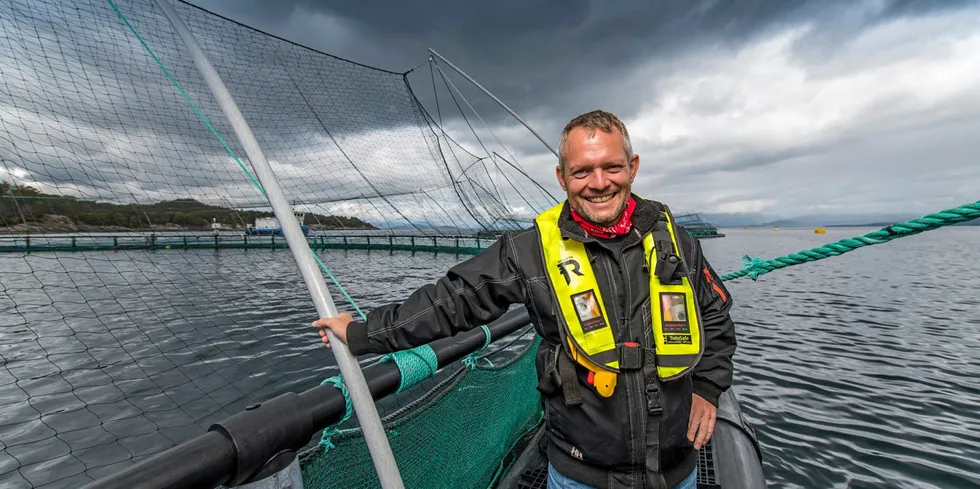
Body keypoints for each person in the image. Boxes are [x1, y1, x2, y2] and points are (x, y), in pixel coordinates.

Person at [313, 110, 737, 489]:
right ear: (561, 177)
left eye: (612, 167)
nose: (599, 183)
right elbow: (450, 302)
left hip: (675, 469)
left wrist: (708, 386)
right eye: (582, 171)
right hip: (581, 473)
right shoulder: (530, 250)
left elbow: (715, 315)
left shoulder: (677, 241)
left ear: (634, 167)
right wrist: (363, 333)